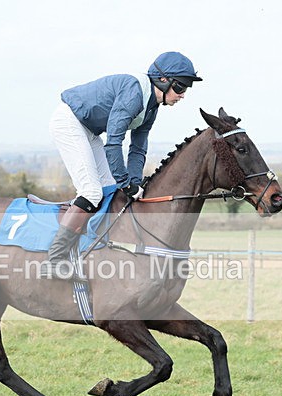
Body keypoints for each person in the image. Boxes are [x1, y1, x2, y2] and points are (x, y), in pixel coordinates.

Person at [41, 51, 203, 280]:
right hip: (70, 123)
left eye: (186, 89)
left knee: (109, 191)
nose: (183, 95)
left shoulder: (151, 106)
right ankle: (54, 260)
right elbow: (114, 143)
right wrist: (126, 183)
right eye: (181, 88)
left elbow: (138, 149)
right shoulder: (134, 94)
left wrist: (134, 183)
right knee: (91, 191)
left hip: (89, 130)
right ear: (163, 80)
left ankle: (93, 250)